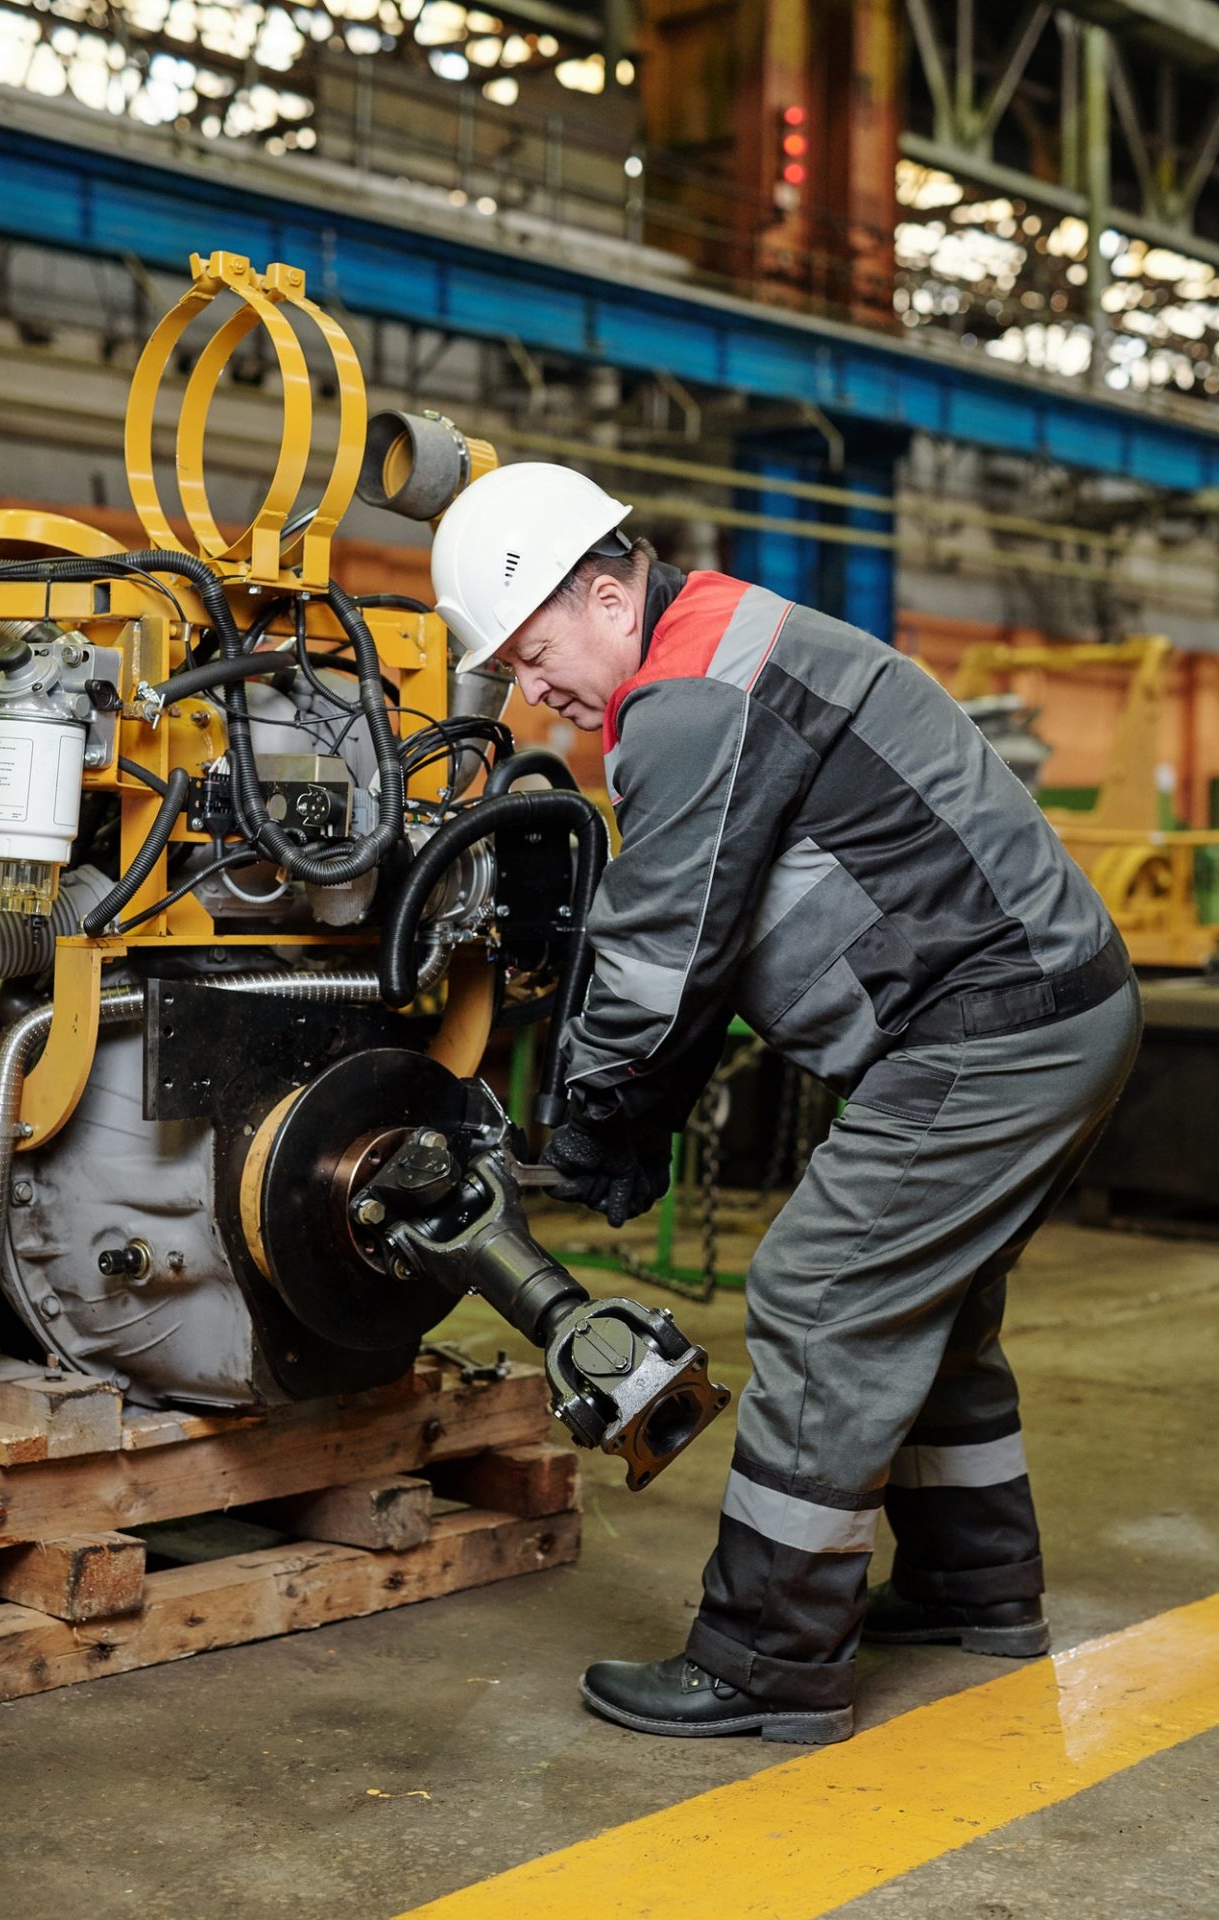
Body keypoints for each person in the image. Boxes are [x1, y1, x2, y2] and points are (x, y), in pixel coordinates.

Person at [430, 461, 1142, 1746]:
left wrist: (593, 1124)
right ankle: (976, 1589)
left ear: (604, 593)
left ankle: (765, 1662)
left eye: (534, 654)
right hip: (1047, 1006)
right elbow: (704, 937)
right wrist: (628, 1105)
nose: (530, 692)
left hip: (996, 1027)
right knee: (926, 1306)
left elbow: (661, 954)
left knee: (820, 1294)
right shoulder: (719, 644)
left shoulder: (689, 694)